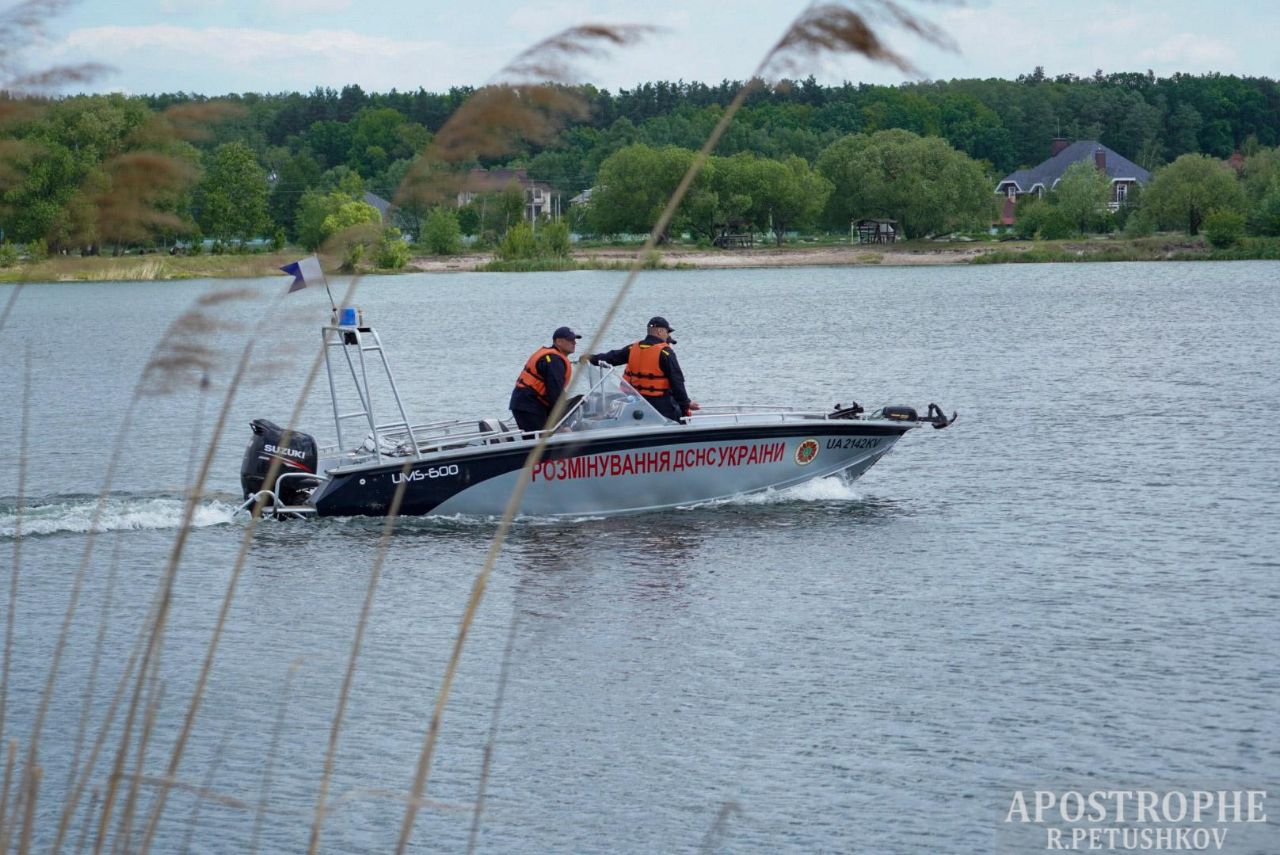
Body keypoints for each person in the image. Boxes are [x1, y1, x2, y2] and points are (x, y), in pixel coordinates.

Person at [589, 316, 700, 422]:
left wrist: (591, 358)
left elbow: (611, 357)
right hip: (661, 404)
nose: (667, 335)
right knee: (678, 419)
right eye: (667, 332)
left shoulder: (633, 348)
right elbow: (677, 381)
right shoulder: (665, 352)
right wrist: (685, 404)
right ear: (660, 331)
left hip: (639, 401)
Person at [509, 326, 582, 432]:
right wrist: (563, 422)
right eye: (570, 340)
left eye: (575, 340)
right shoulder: (554, 361)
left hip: (527, 403)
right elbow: (555, 393)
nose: (574, 343)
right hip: (529, 405)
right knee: (541, 438)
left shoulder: (553, 358)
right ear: (558, 341)